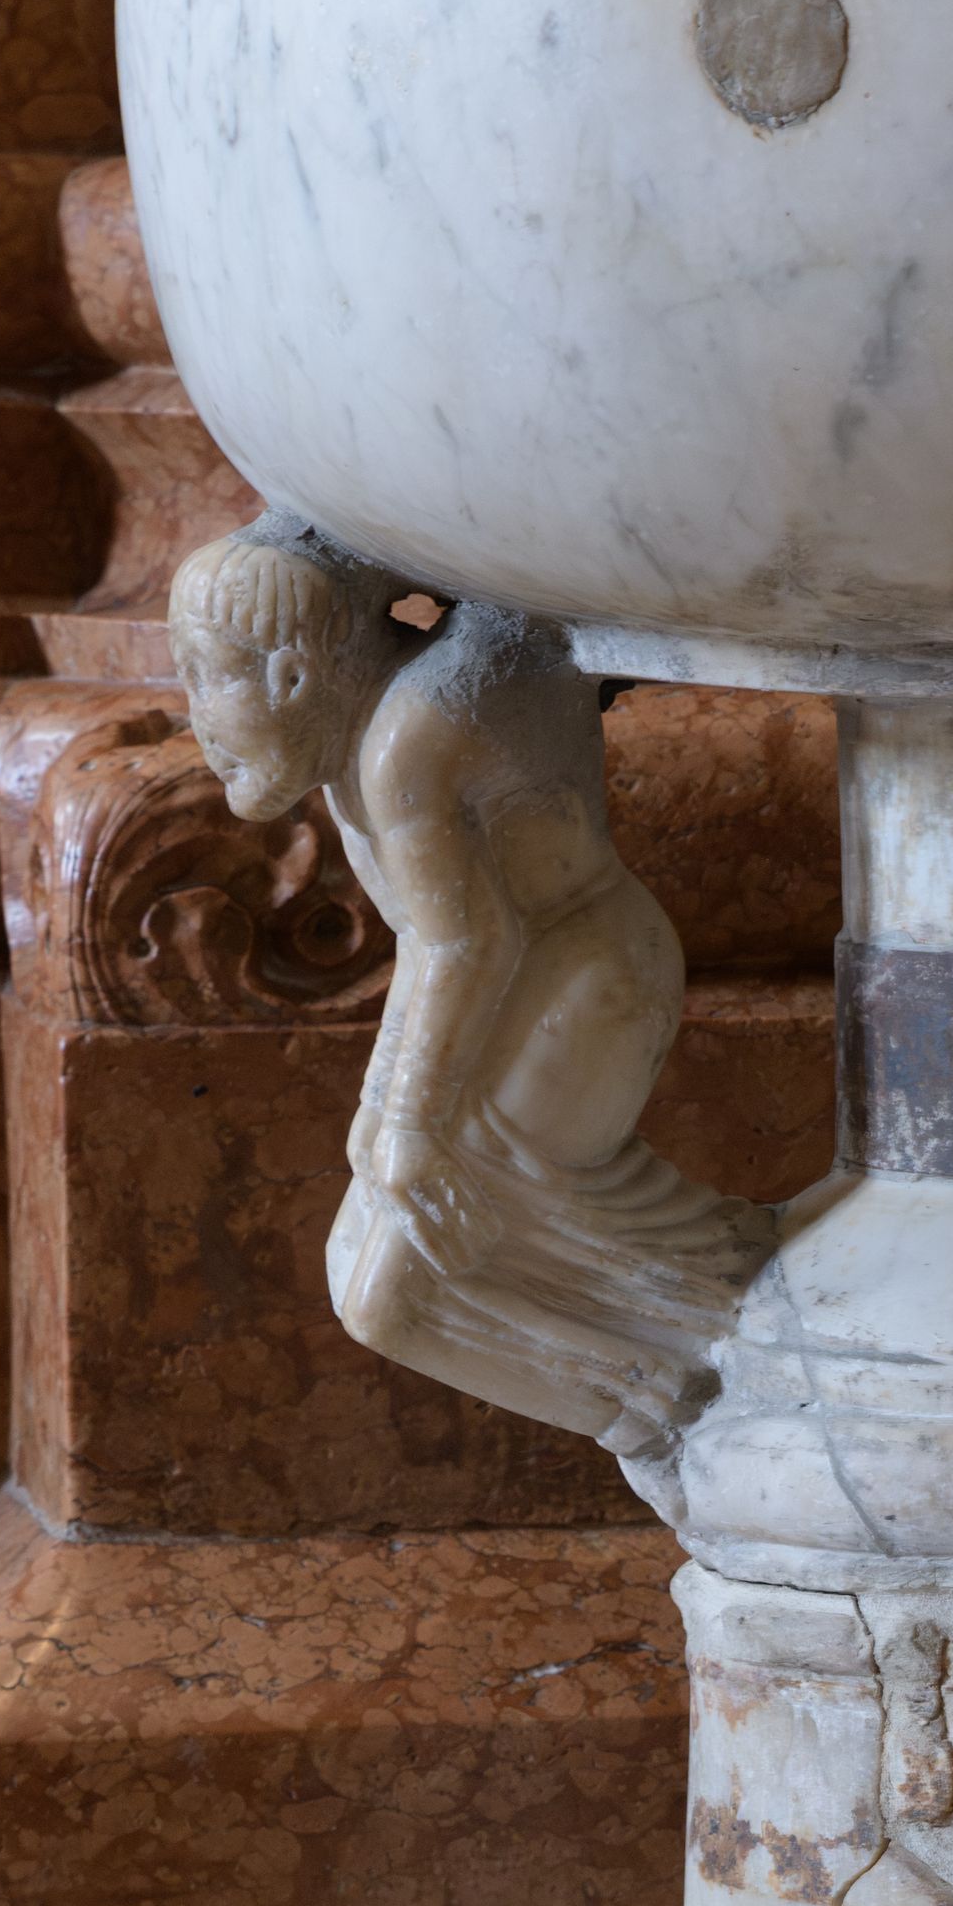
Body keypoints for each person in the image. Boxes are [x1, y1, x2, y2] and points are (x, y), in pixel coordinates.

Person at [169, 518, 772, 1473]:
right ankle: (694, 1385)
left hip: (587, 981)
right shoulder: (355, 740)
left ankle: (688, 1409)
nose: (191, 714)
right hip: (523, 981)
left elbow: (465, 939)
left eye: (205, 676)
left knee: (393, 1294)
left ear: (289, 678)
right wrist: (385, 1117)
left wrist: (408, 1122)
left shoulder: (408, 744)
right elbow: (432, 944)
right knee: (367, 1276)